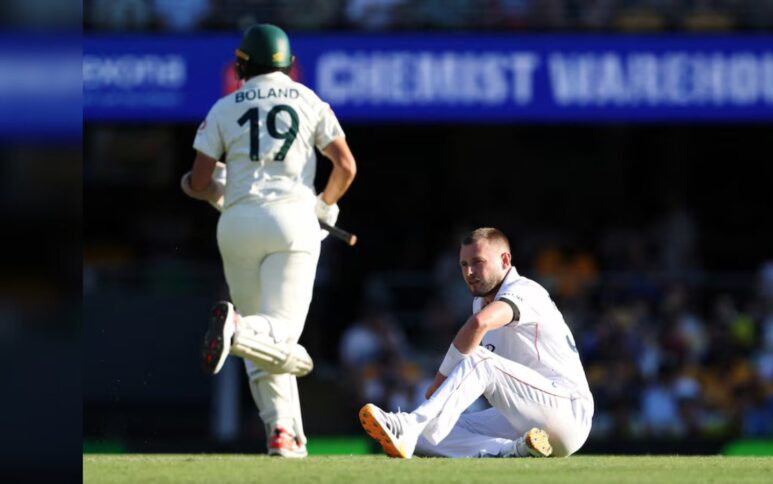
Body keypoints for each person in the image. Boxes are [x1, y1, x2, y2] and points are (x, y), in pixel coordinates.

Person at [180, 23, 357, 457]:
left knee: (267, 342)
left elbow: (200, 182)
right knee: (280, 336)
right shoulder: (309, 100)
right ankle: (238, 329)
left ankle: (283, 433)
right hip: (293, 223)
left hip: (236, 224)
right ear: (288, 64)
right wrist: (324, 205)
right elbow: (346, 167)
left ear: (244, 64)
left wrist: (204, 184)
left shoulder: (224, 106)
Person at [359, 228, 593, 458]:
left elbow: (479, 324)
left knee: (481, 360)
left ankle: (410, 424)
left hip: (568, 412)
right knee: (428, 437)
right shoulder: (479, 302)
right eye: (463, 264)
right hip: (530, 416)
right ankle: (512, 450)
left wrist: (439, 382)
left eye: (478, 262)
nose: (469, 272)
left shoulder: (525, 290)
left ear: (505, 260)